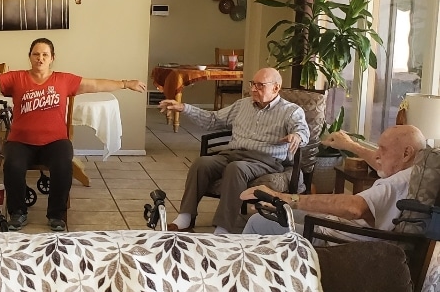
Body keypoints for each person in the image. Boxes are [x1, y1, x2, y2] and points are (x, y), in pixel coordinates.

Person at [0, 38, 146, 232]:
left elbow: (95, 84)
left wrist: (126, 83)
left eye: (45, 54)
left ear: (52, 58)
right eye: (36, 54)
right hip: (20, 141)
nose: (40, 58)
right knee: (12, 164)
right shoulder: (16, 78)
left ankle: (56, 215)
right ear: (30, 56)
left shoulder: (64, 80)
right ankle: (18, 212)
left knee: (64, 163)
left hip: (55, 142)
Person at [160, 67, 309, 234]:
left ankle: (224, 227)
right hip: (232, 154)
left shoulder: (291, 111)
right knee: (201, 163)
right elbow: (213, 120)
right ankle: (185, 217)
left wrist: (297, 136)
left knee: (236, 168)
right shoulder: (242, 105)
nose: (253, 89)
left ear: (276, 88)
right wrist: (183, 108)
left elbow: (302, 130)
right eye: (253, 84)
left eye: (260, 86)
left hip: (265, 160)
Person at [240, 123, 426, 235]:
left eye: (382, 149)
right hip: (335, 225)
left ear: (406, 153)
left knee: (258, 222)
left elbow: (353, 208)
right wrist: (351, 146)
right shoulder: (415, 175)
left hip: (332, 237)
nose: (377, 155)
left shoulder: (395, 184)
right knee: (274, 213)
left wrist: (281, 196)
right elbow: (380, 164)